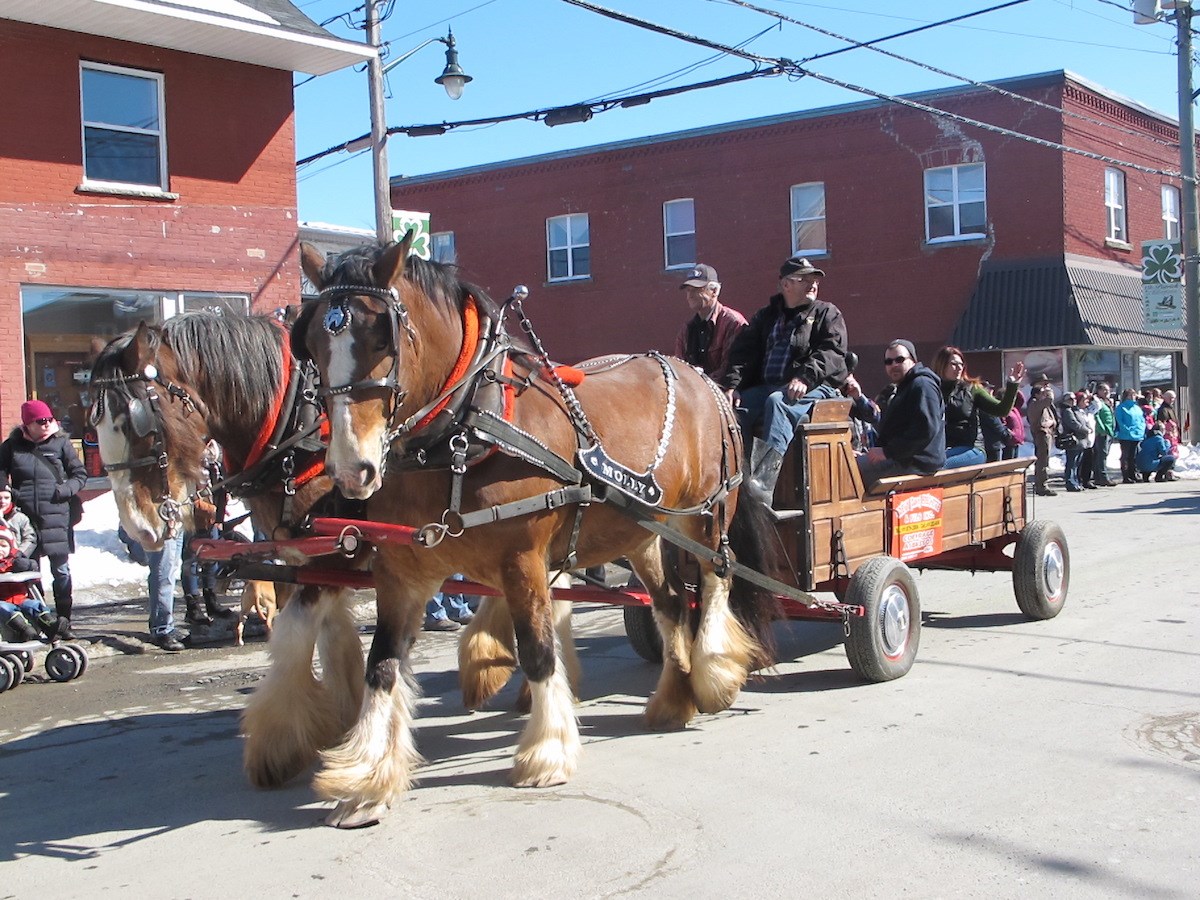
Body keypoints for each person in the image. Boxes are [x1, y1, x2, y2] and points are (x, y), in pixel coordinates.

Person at [722, 255, 848, 508]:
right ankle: (735, 478)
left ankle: (763, 485)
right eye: (805, 279)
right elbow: (742, 352)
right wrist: (733, 386)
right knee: (734, 410)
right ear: (785, 284)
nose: (812, 284)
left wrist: (804, 377)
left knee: (778, 403)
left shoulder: (827, 313)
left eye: (815, 280)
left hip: (816, 386)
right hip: (769, 385)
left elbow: (832, 351)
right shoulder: (765, 317)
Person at [0, 400, 86, 638]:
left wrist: (65, 490)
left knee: (61, 571)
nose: (48, 424)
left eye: (50, 419)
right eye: (41, 421)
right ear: (27, 424)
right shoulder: (11, 447)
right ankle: (42, 621)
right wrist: (8, 496)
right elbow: (0, 474)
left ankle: (64, 621)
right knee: (30, 572)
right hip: (26, 520)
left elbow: (79, 474)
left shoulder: (61, 444)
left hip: (57, 516)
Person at [856, 340, 946, 485]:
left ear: (913, 360)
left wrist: (887, 452)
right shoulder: (906, 387)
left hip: (915, 464)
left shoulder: (922, 385)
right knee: (851, 464)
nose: (894, 365)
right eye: (888, 362)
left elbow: (925, 430)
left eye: (899, 360)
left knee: (849, 472)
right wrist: (874, 452)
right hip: (904, 459)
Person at [931, 346, 1024, 469]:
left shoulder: (972, 389)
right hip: (942, 449)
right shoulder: (932, 389)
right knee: (923, 466)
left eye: (961, 364)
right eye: (953, 364)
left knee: (940, 466)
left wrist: (1012, 384)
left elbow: (1002, 410)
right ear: (941, 365)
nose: (959, 368)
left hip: (972, 449)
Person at [673, 264, 747, 384]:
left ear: (714, 291)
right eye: (688, 290)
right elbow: (678, 369)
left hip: (723, 392)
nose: (690, 296)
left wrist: (699, 381)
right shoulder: (686, 331)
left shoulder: (733, 323)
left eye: (696, 290)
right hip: (694, 391)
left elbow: (731, 368)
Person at [0, 528, 61, 642]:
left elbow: (34, 577)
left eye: (4, 546)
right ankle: (25, 630)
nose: (0, 550)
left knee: (35, 605)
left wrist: (29, 566)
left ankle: (51, 626)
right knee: (4, 608)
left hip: (21, 598)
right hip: (3, 601)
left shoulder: (16, 561)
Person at [1025, 375, 1060, 496]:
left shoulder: (1040, 402)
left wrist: (1053, 422)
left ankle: (1042, 484)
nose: (1047, 386)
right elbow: (1047, 402)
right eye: (1043, 384)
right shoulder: (1035, 402)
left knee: (1045, 459)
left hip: (1047, 432)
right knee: (1042, 460)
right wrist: (1049, 393)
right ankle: (1041, 485)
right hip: (1041, 433)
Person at [1057, 391, 1089, 492]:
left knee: (1076, 463)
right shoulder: (1067, 411)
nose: (1073, 401)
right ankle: (1070, 483)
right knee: (1072, 462)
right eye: (1070, 399)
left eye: (1074, 399)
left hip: (1080, 440)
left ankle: (1076, 481)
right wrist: (1085, 429)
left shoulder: (1075, 410)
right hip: (1073, 440)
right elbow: (1073, 423)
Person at [1115, 388, 1147, 484]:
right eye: (1131, 395)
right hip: (1126, 436)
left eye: (1134, 395)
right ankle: (1126, 476)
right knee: (1126, 456)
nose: (1133, 397)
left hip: (1137, 435)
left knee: (1133, 456)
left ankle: (1133, 474)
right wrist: (1127, 430)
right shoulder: (1121, 407)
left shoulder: (1137, 408)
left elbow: (1141, 420)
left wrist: (1141, 430)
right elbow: (1120, 421)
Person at [0, 481, 38, 558]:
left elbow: (30, 538)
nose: (2, 501)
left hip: (15, 559)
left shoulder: (20, 517)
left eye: (6, 498)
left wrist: (19, 553)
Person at [1091, 383, 1117, 486]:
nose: (1107, 392)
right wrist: (1102, 429)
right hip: (1102, 432)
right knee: (1102, 455)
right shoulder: (1097, 402)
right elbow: (1096, 416)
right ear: (1099, 391)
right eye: (1104, 390)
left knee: (1103, 454)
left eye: (1108, 390)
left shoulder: (1108, 402)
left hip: (1109, 431)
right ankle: (1103, 477)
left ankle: (1098, 477)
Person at [1074, 390, 1097, 489]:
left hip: (1090, 440)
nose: (1087, 402)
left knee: (1089, 462)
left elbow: (1097, 406)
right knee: (1080, 462)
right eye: (1084, 400)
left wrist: (1093, 398)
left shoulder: (1088, 411)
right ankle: (1078, 480)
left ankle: (1087, 480)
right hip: (1082, 440)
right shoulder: (1076, 411)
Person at [1002, 390, 1026, 461]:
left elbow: (1021, 399)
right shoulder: (1004, 410)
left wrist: (1015, 388)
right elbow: (1002, 424)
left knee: (1014, 463)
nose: (1014, 399)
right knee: (1008, 464)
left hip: (1016, 441)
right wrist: (1010, 434)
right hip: (1010, 442)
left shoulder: (1014, 409)